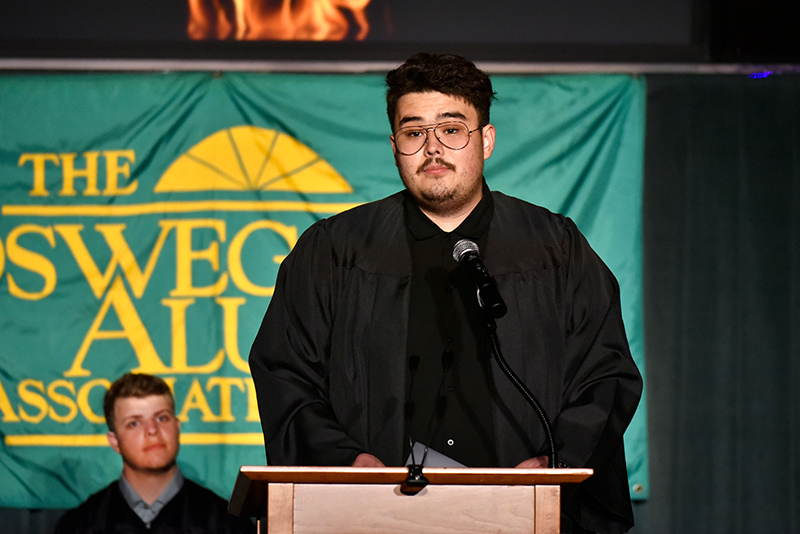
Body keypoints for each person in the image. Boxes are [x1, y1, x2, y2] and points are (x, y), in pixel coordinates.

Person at [248, 52, 643, 533]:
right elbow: (285, 371)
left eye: (452, 129)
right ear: (395, 146)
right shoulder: (336, 250)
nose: (433, 148)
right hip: (375, 513)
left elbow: (604, 373)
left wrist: (555, 459)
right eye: (415, 133)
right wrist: (346, 461)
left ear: (487, 140)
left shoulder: (553, 247)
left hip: (519, 512)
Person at [54, 372, 254, 534]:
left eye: (162, 418)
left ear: (177, 427)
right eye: (134, 423)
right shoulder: (80, 526)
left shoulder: (226, 525)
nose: (152, 430)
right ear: (114, 441)